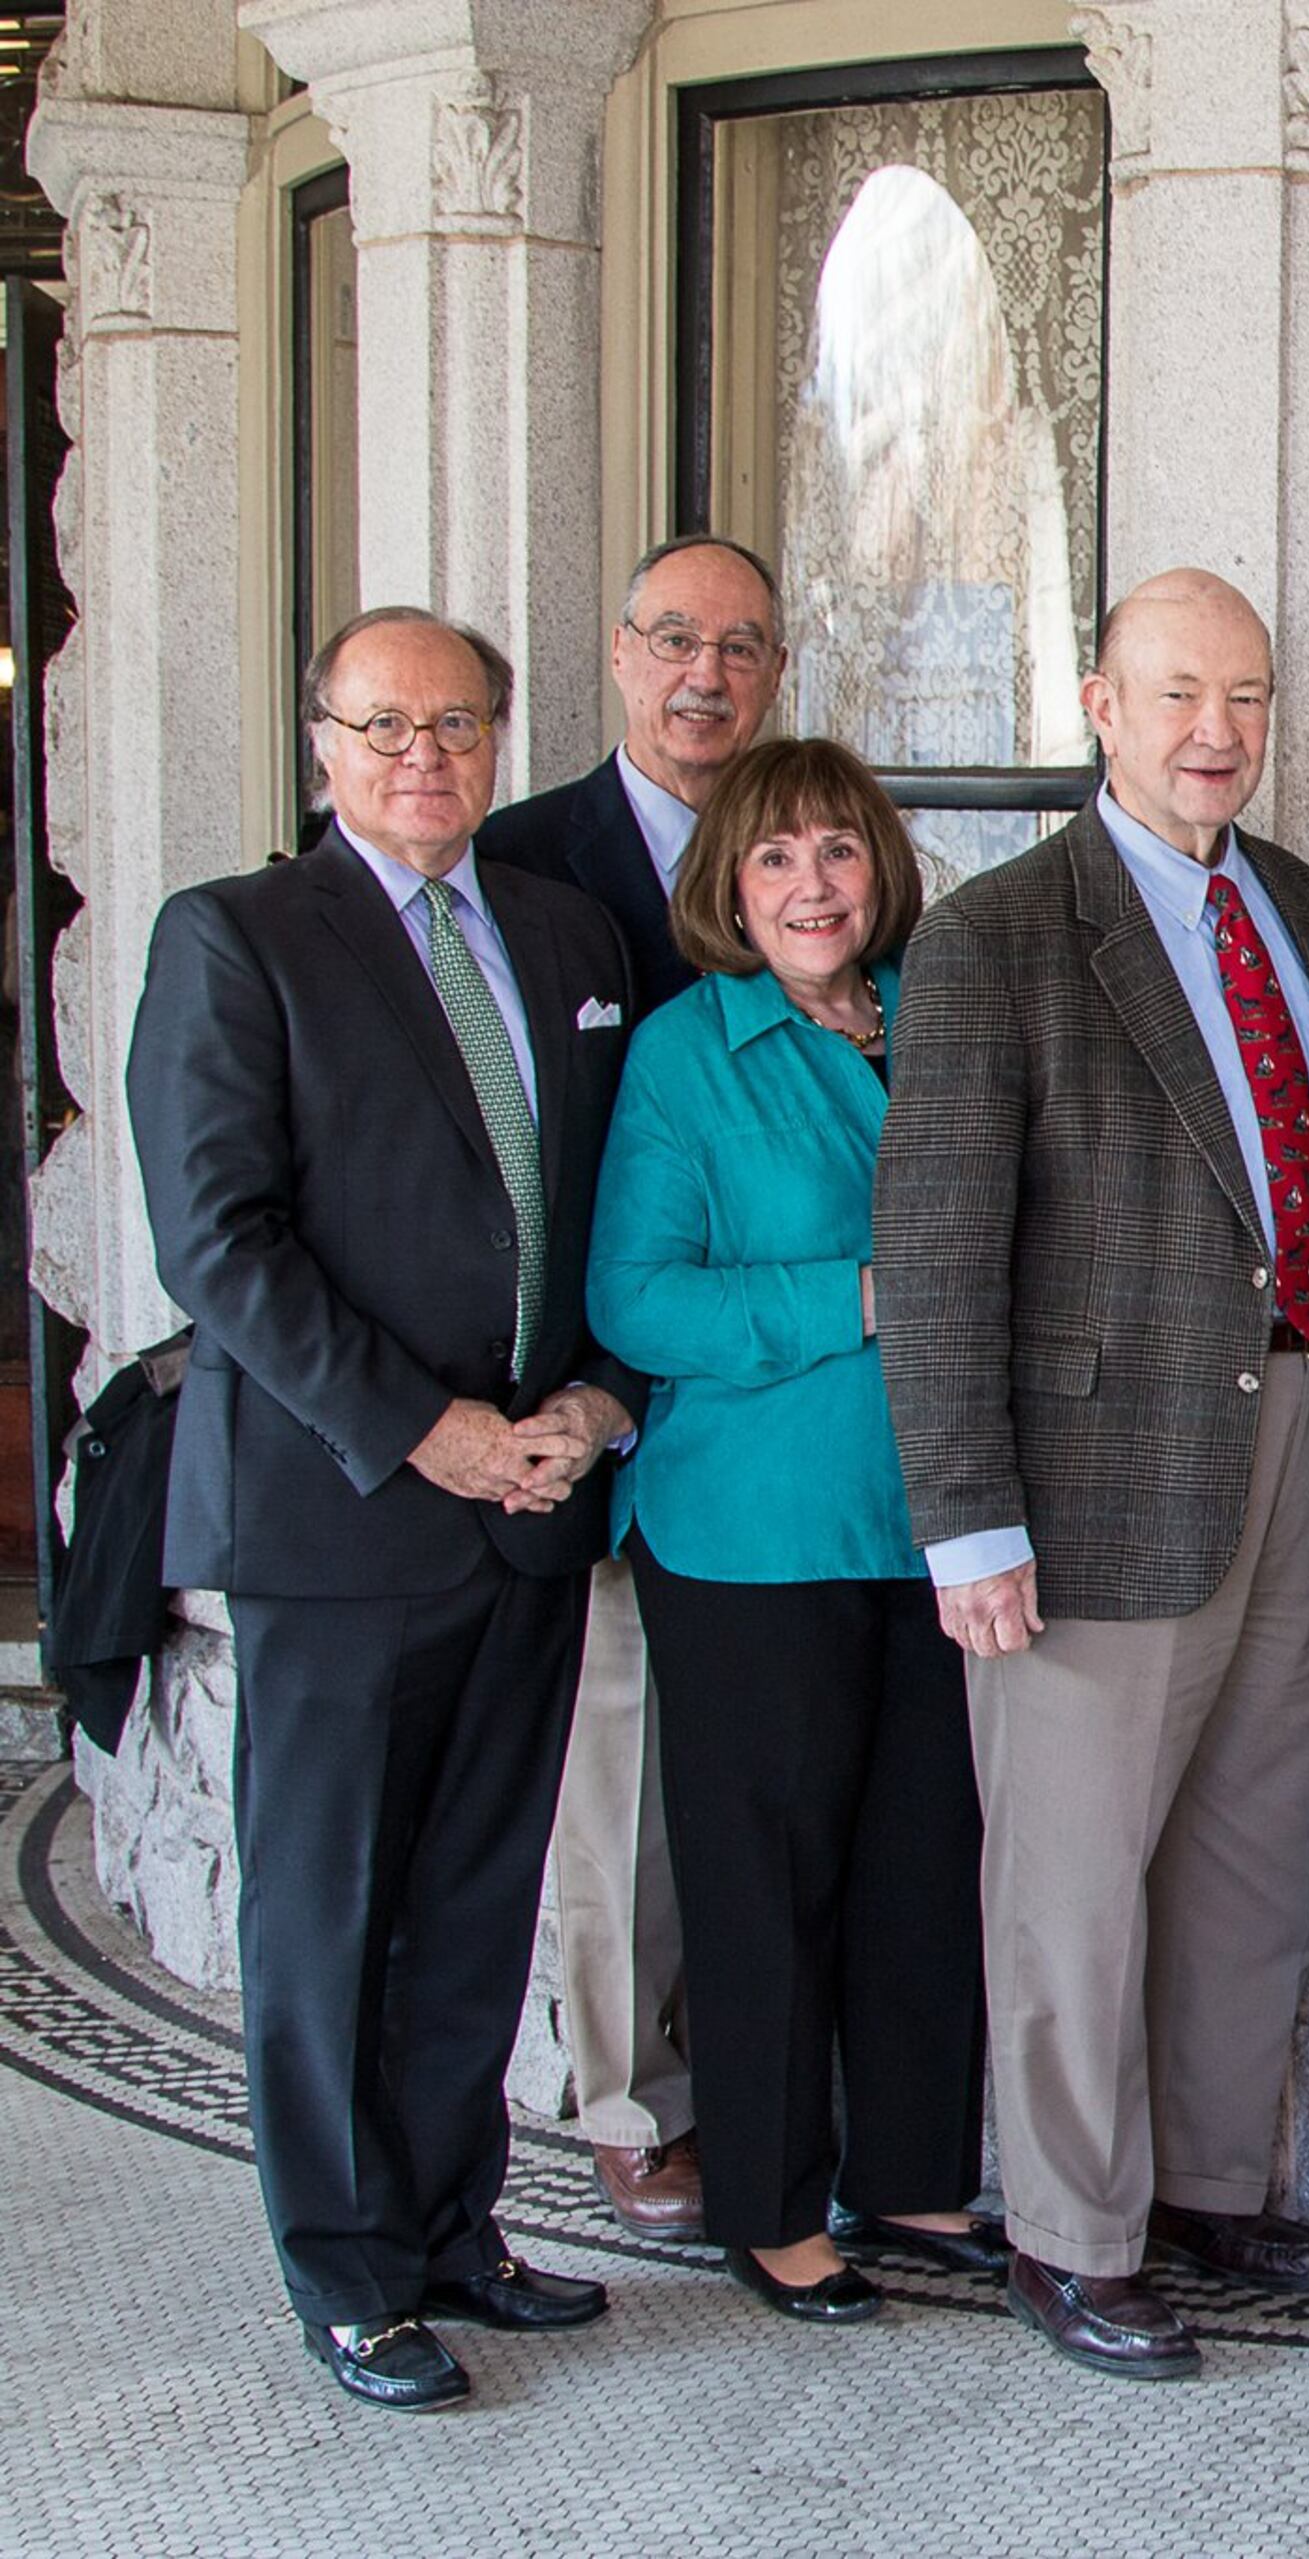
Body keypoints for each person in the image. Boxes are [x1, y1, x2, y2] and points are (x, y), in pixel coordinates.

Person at [130, 607, 640, 2411]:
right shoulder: (238, 939)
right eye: (384, 725)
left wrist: (598, 1395)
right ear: (321, 741)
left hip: (535, 1500)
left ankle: (452, 2229)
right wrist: (425, 1429)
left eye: (455, 724)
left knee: (478, 1894)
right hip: (346, 1516)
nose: (422, 756)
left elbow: (609, 1209)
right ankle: (347, 2272)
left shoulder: (570, 935)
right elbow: (219, 1243)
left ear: (500, 739)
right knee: (331, 1907)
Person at [874, 569, 1309, 2381]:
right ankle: (1074, 2234)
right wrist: (969, 1518)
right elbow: (933, 1249)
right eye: (1176, 695)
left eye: (1242, 695)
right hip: (1087, 1478)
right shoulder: (999, 934)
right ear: (1099, 702)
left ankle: (1210, 2188)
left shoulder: (1299, 906)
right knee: (1073, 1879)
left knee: (1253, 1844)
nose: (1214, 732)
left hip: (1297, 1438)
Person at [587, 739, 998, 2325]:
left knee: (922, 1869)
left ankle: (904, 2175)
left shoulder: (942, 1017)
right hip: (753, 1539)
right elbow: (637, 1295)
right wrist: (861, 1298)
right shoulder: (692, 1054)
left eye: (837, 852)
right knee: (767, 1883)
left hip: (945, 1526)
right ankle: (768, 2200)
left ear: (880, 870)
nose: (813, 885)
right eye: (775, 861)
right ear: (727, 891)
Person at [478, 532, 791, 2242]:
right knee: (620, 1779)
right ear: (617, 656)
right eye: (676, 638)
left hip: (779, 1416)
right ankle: (631, 2099)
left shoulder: (818, 858)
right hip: (599, 1395)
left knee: (745, 1775)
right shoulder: (524, 861)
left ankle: (768, 2079)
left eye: (741, 647)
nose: (707, 675)